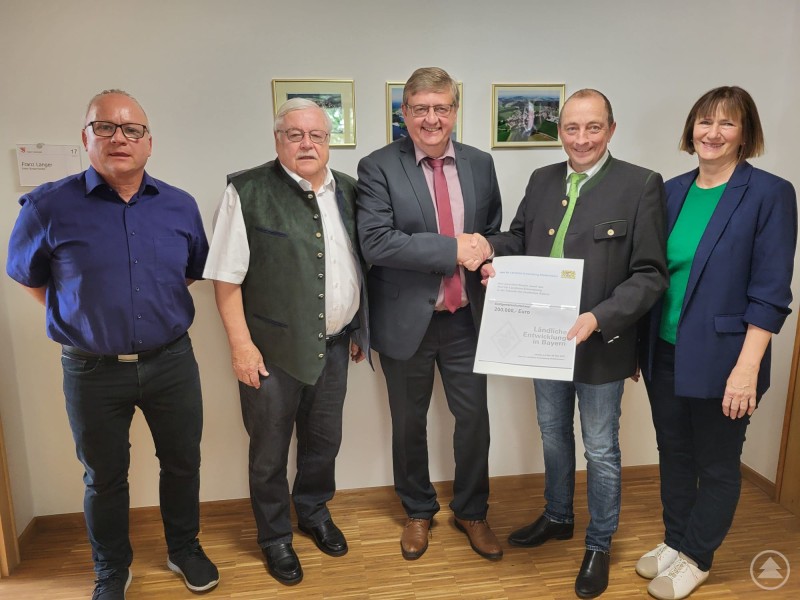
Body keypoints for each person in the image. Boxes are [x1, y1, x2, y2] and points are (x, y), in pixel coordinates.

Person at [6, 89, 218, 600]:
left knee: (183, 463)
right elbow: (28, 276)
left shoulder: (180, 205)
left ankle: (184, 548)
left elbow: (190, 272)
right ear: (86, 137)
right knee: (103, 477)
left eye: (132, 129)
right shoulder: (47, 206)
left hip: (171, 362)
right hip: (91, 370)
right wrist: (80, 317)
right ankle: (110, 568)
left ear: (149, 142)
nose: (119, 137)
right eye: (105, 127)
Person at [483, 89, 668, 598]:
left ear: (611, 129)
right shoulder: (542, 179)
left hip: (601, 342)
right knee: (552, 433)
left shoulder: (641, 184)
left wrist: (599, 317)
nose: (581, 139)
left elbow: (650, 274)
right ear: (559, 130)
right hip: (542, 339)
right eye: (571, 128)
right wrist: (493, 258)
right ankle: (558, 516)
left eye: (593, 127)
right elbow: (518, 239)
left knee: (601, 449)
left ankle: (599, 543)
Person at [635, 86, 797, 600]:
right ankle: (675, 539)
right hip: (665, 350)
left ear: (745, 133)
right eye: (704, 121)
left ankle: (697, 557)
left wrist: (747, 369)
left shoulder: (770, 194)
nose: (712, 132)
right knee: (673, 453)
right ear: (691, 129)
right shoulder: (671, 191)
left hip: (727, 358)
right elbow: (650, 274)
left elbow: (770, 292)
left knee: (717, 463)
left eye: (727, 123)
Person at [203, 98, 369, 586]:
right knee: (269, 451)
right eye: (295, 135)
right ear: (278, 140)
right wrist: (241, 346)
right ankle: (274, 536)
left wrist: (358, 328)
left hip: (336, 347)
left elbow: (360, 266)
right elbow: (226, 280)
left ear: (329, 142)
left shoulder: (350, 191)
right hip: (271, 354)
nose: (306, 144)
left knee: (324, 442)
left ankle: (313, 512)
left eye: (316, 135)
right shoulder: (247, 191)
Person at [357, 67, 503, 561]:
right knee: (408, 423)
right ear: (404, 113)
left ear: (455, 111)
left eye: (441, 107)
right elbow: (376, 241)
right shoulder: (378, 166)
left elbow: (492, 233)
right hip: (407, 323)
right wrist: (452, 249)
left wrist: (488, 250)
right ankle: (418, 510)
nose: (431, 118)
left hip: (466, 319)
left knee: (475, 421)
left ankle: (472, 511)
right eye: (420, 109)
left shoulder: (481, 163)